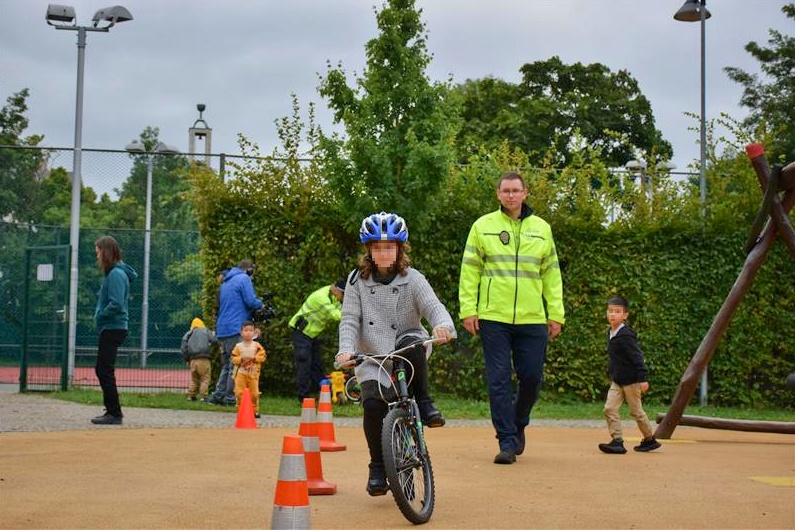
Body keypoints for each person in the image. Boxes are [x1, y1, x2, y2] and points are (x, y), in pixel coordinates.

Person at [336, 212, 456, 496]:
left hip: (405, 349)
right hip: (372, 356)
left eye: (389, 247)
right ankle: (378, 466)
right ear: (369, 251)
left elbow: (433, 306)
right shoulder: (356, 282)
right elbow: (350, 320)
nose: (383, 252)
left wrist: (443, 326)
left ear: (400, 248)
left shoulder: (413, 279)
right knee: (373, 406)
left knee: (415, 341)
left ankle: (425, 403)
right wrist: (345, 350)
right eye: (377, 247)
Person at [458, 172, 565, 465]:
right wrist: (469, 308)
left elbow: (552, 274)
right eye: (506, 190)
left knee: (532, 377)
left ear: (525, 193)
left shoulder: (542, 228)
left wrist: (555, 313)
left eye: (516, 190)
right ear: (498, 194)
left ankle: (519, 422)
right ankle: (506, 440)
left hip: (532, 318)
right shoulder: (483, 226)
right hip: (494, 316)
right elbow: (470, 270)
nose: (511, 196)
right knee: (499, 379)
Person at [598, 296, 661, 454]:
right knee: (609, 408)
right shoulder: (610, 332)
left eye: (617, 312)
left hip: (632, 381)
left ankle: (649, 439)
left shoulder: (626, 335)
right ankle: (617, 441)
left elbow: (637, 357)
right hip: (618, 380)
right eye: (610, 311)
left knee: (636, 412)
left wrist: (643, 378)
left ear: (625, 315)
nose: (613, 315)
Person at [203, 259, 264, 406]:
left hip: (222, 329)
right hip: (235, 328)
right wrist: (261, 304)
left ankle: (218, 396)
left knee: (227, 365)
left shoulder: (226, 282)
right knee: (236, 365)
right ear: (248, 270)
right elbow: (250, 301)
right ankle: (231, 398)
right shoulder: (244, 279)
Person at [91, 236, 137, 425]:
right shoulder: (115, 273)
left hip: (113, 326)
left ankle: (114, 413)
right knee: (103, 369)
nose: (97, 255)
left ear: (106, 252)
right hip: (112, 327)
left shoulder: (116, 275)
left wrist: (101, 314)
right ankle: (112, 410)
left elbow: (116, 303)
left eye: (98, 251)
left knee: (104, 370)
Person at [288, 279, 346, 401]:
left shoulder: (334, 297)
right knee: (304, 363)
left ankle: (321, 392)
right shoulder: (322, 297)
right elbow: (337, 315)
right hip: (301, 332)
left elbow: (341, 310)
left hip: (312, 334)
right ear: (336, 290)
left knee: (316, 364)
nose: (344, 297)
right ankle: (303, 397)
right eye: (343, 294)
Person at [231, 320, 267, 419]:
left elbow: (263, 357)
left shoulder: (257, 346)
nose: (248, 332)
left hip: (253, 373)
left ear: (254, 333)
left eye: (250, 330)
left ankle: (255, 410)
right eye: (246, 330)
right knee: (239, 392)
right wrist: (240, 359)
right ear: (241, 333)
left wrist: (255, 359)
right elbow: (233, 358)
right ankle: (241, 410)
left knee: (254, 393)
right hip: (240, 373)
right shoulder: (238, 346)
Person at [181, 317, 217, 401]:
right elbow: (214, 341)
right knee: (205, 378)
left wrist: (187, 359)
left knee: (194, 379)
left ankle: (191, 396)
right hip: (204, 358)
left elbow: (183, 347)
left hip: (192, 359)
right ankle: (203, 397)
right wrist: (211, 351)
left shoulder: (188, 333)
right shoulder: (206, 331)